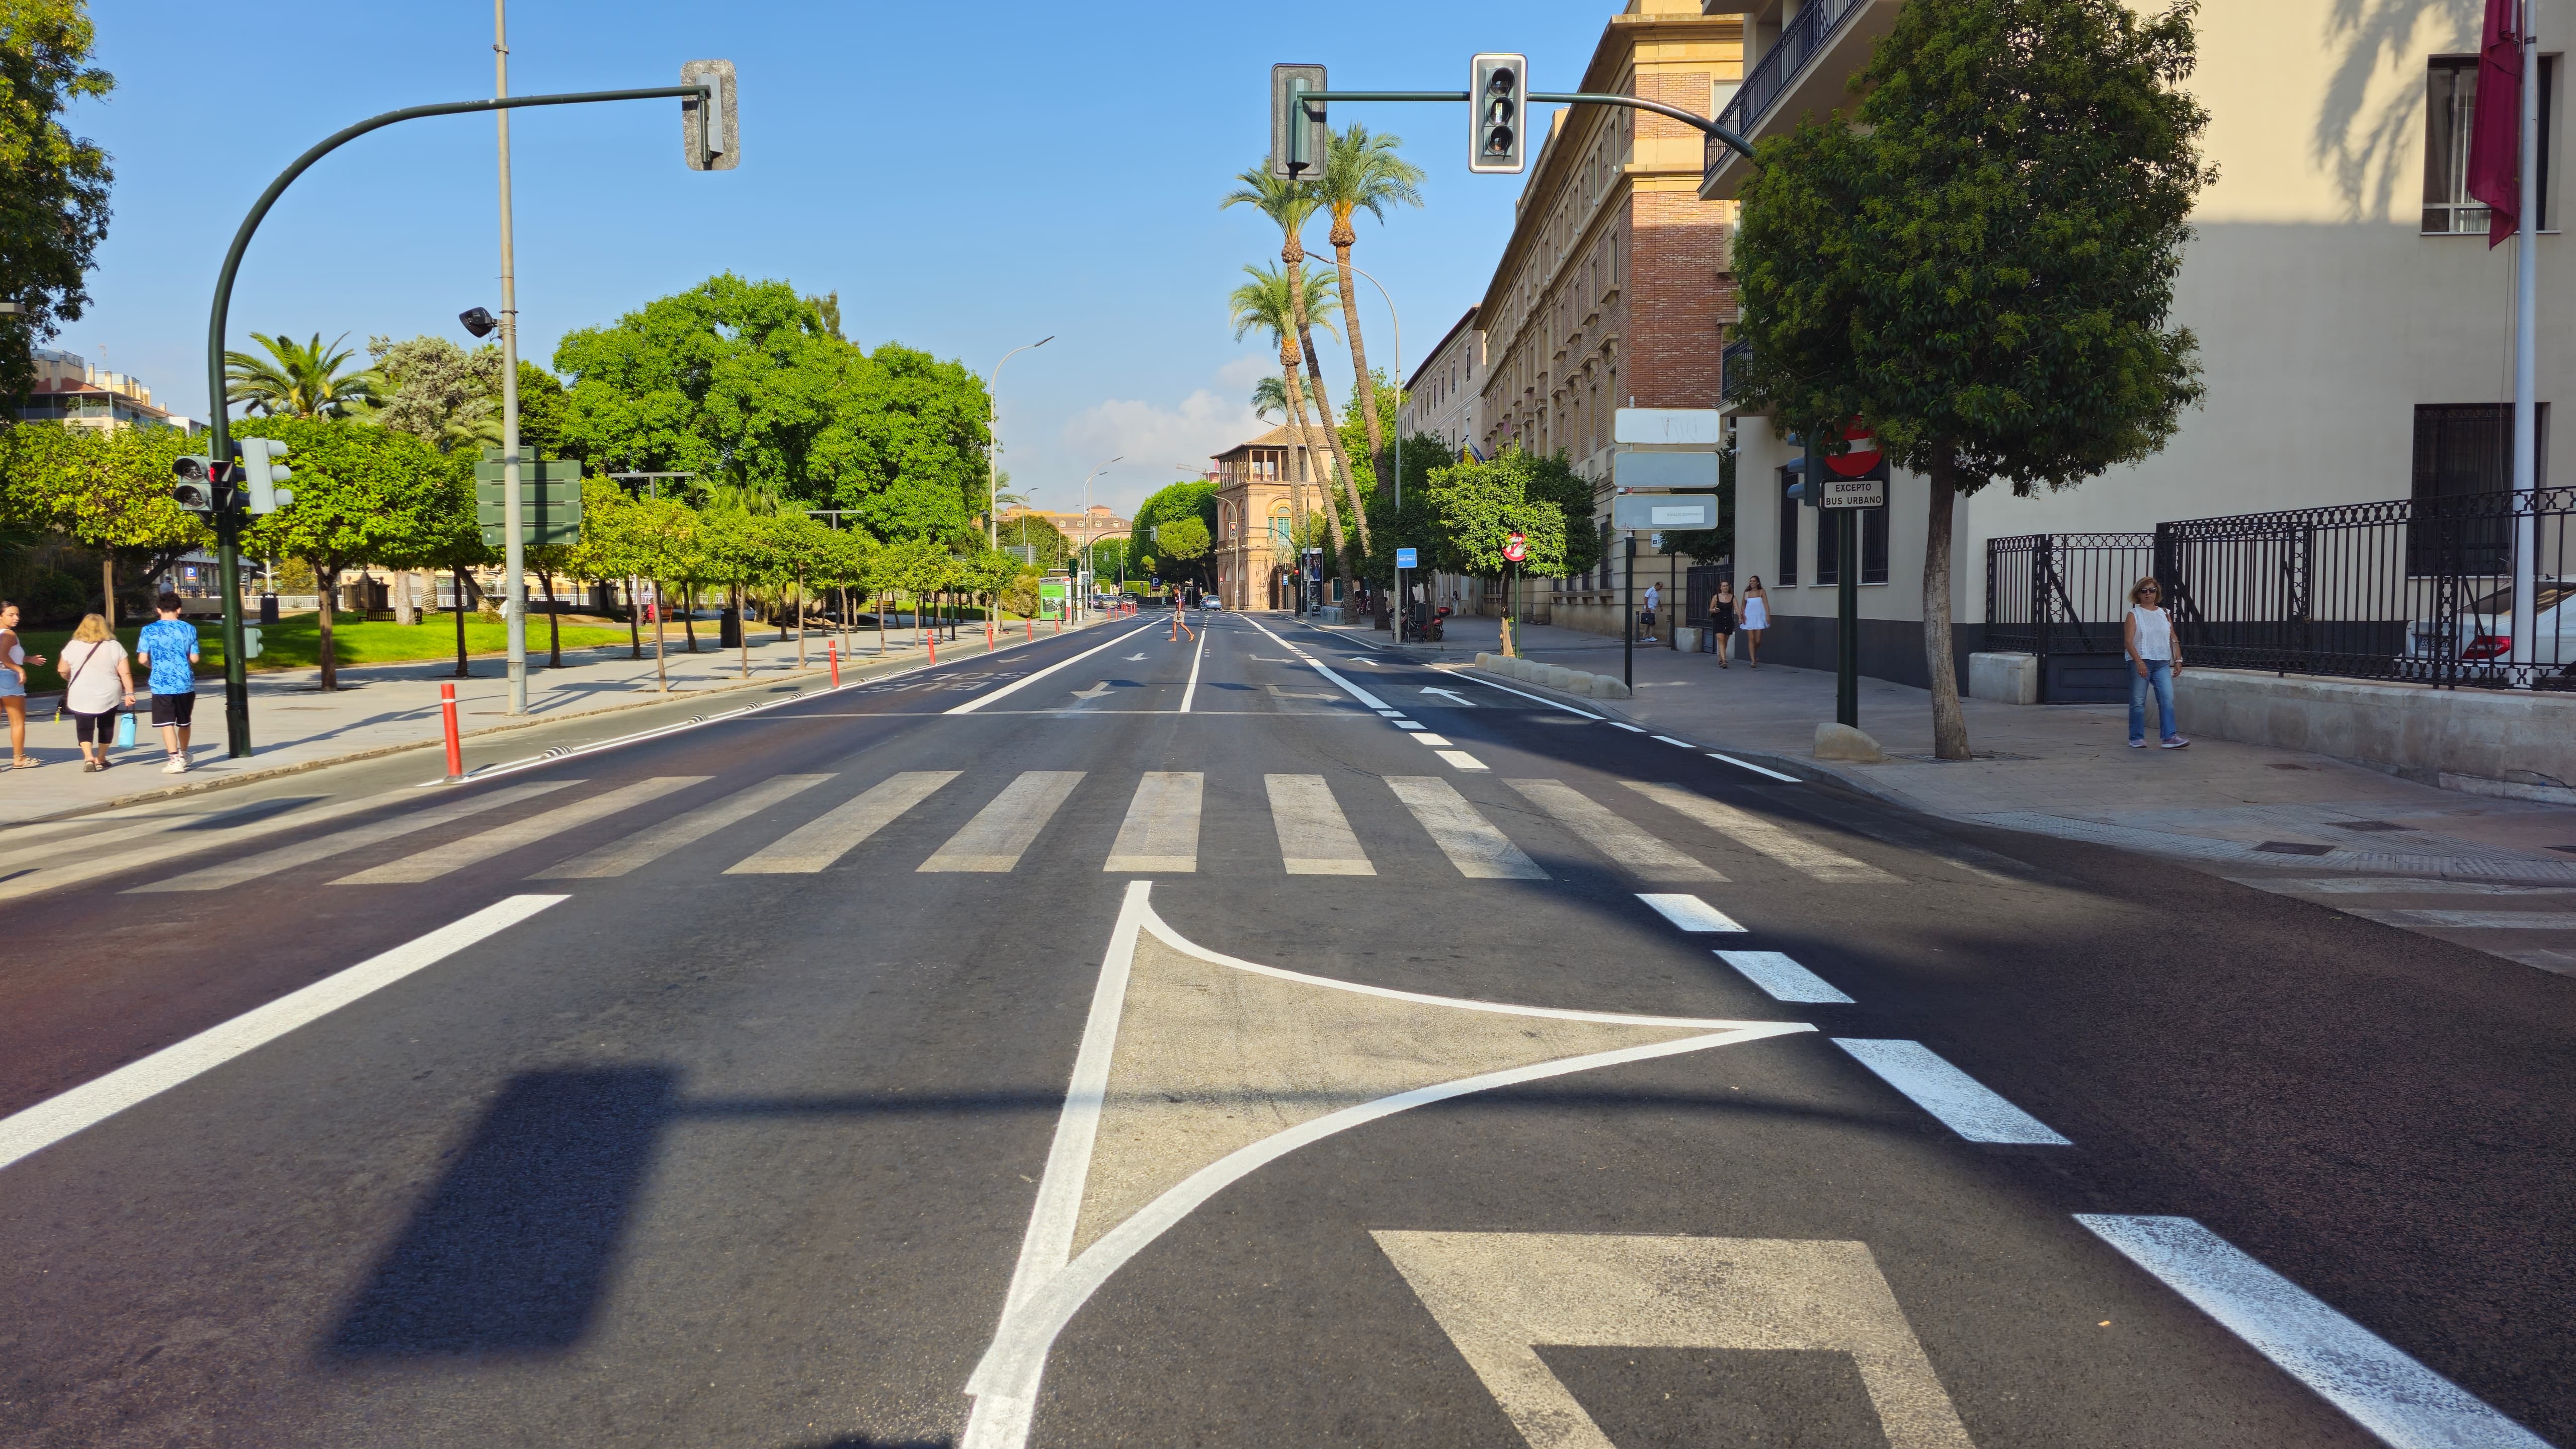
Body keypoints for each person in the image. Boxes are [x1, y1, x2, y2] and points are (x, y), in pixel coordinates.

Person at [56, 613, 134, 773]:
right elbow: (125, 673)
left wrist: (70, 678)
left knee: (84, 727)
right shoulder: (115, 646)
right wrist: (130, 693)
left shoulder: (73, 645)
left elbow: (62, 670)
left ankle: (88, 757)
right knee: (106, 725)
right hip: (109, 693)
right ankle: (101, 758)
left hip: (81, 692)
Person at [135, 592, 201, 773]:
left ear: (158, 610)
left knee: (166, 723)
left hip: (161, 683)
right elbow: (195, 659)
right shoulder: (189, 629)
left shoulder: (148, 630)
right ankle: (185, 753)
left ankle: (174, 759)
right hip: (185, 682)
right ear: (178, 609)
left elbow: (142, 659)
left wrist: (154, 666)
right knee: (184, 722)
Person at [2123, 576, 2189, 749]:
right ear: (2137, 594)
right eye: (2144, 591)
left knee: (2167, 698)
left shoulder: (2164, 613)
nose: (2148, 594)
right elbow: (2129, 642)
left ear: (2157, 593)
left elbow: (2172, 636)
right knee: (2138, 700)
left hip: (2161, 662)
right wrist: (2139, 663)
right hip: (2141, 660)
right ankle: (2136, 737)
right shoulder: (2134, 614)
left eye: (2152, 590)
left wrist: (2178, 659)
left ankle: (2169, 736)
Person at [0, 600, 47, 767]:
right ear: (1, 616)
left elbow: (10, 656)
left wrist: (28, 659)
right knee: (17, 721)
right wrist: (19, 670)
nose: (16, 618)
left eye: (18, 614)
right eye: (11, 615)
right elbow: (3, 657)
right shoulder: (8, 634)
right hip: (7, 678)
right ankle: (19, 758)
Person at [1740, 577, 1770, 667]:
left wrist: (1768, 615)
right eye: (1751, 581)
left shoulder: (1762, 592)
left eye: (1754, 581)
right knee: (1751, 639)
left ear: (1758, 583)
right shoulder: (1747, 593)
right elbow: (1743, 605)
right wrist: (1743, 614)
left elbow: (1766, 604)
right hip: (1749, 618)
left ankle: (1754, 652)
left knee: (1758, 640)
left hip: (1759, 617)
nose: (1752, 583)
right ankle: (1753, 661)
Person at [1710, 580, 1737, 668]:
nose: (1725, 587)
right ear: (1720, 588)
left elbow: (1737, 609)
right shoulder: (1716, 597)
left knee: (1725, 642)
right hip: (1718, 620)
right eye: (1724, 586)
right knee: (1721, 640)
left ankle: (1721, 659)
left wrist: (1741, 618)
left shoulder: (1733, 597)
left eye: (1727, 586)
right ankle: (1724, 661)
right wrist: (1714, 610)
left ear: (1729, 587)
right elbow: (1710, 609)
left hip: (1728, 621)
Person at [1639, 580, 1660, 644]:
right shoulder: (1651, 590)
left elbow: (1658, 600)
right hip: (1650, 608)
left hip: (1653, 608)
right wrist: (1647, 608)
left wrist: (1661, 606)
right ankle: (1649, 636)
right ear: (1657, 585)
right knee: (1651, 623)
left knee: (1649, 623)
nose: (1661, 588)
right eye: (1660, 586)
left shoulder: (1656, 592)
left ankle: (1646, 637)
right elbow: (1645, 598)